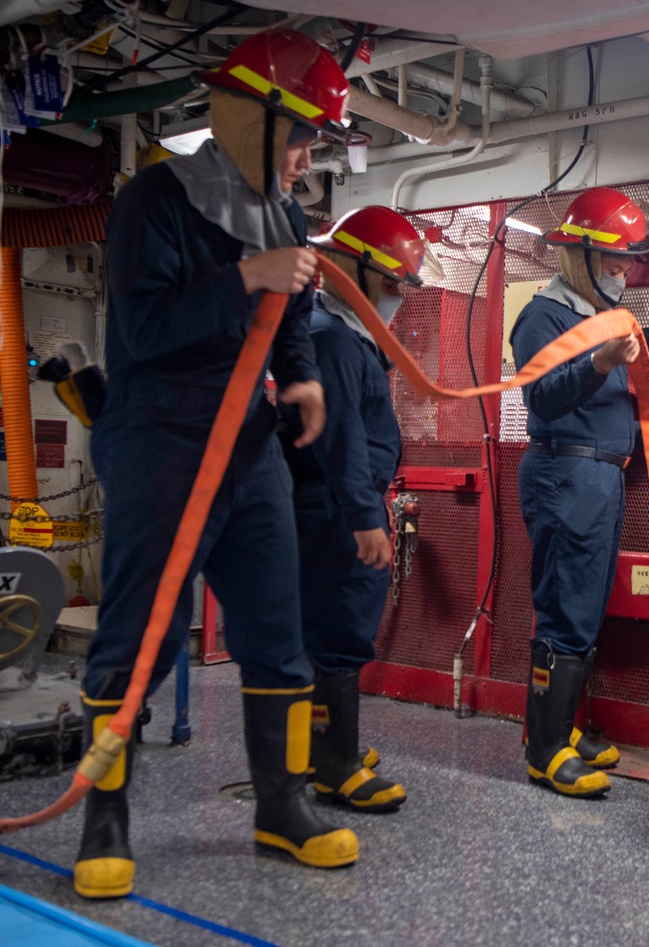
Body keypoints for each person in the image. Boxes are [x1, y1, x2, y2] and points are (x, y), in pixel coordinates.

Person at [76, 30, 359, 900]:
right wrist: (245, 274)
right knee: (142, 634)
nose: (311, 153)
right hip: (163, 438)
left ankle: (282, 805)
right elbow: (148, 329)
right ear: (251, 113)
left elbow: (298, 319)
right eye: (305, 130)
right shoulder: (152, 199)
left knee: (278, 629)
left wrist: (305, 383)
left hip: (251, 445)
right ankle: (104, 818)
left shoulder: (285, 216)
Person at [510, 186, 649, 798]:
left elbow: (599, 409)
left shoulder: (596, 320)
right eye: (616, 259)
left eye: (630, 261)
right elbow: (542, 398)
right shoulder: (543, 318)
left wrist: (644, 426)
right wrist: (602, 361)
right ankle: (545, 750)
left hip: (599, 475)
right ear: (578, 254)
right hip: (565, 475)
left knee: (585, 603)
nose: (626, 271)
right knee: (564, 607)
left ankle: (562, 731)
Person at [280, 206, 437, 812]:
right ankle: (335, 767)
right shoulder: (334, 340)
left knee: (327, 631)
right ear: (359, 271)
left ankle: (326, 747)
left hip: (335, 501)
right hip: (333, 507)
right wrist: (364, 518)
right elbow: (340, 436)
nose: (400, 295)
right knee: (339, 631)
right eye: (394, 281)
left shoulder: (345, 335)